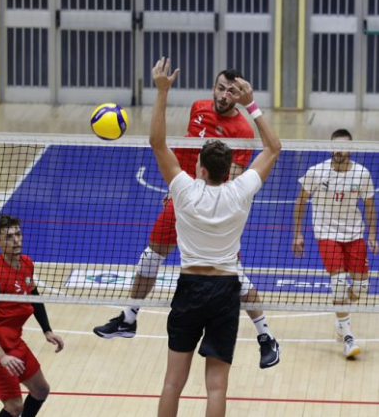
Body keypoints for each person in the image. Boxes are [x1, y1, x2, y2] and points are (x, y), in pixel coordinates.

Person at [93, 68, 281, 369]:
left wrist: (188, 189)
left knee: (236, 277)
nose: (223, 95)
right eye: (220, 88)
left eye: (231, 92)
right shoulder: (198, 108)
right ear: (213, 86)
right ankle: (129, 318)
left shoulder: (243, 131)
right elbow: (182, 151)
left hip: (210, 204)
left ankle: (265, 336)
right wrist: (177, 186)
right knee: (149, 258)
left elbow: (231, 176)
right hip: (183, 195)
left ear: (240, 96)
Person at [149, 57, 281, 417]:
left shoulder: (185, 192)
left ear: (199, 167)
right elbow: (273, 148)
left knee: (172, 383)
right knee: (217, 388)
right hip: (225, 291)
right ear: (228, 170)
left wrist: (162, 93)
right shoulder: (241, 192)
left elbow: (158, 143)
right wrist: (250, 103)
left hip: (190, 287)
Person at [292, 129, 378, 359]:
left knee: (360, 288)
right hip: (326, 233)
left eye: (344, 146)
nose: (339, 150)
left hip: (354, 234)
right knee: (339, 283)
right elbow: (301, 201)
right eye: (336, 146)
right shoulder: (316, 172)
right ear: (330, 147)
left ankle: (341, 319)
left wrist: (371, 235)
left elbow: (369, 205)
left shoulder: (362, 174)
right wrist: (298, 233)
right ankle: (348, 336)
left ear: (352, 148)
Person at [0, 214, 65, 417]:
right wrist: (3, 357)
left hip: (14, 341)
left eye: (18, 234)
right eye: (9, 237)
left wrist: (47, 330)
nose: (16, 240)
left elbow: (34, 296)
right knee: (15, 407)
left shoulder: (26, 264)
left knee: (41, 390)